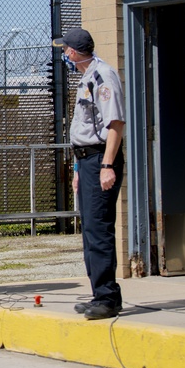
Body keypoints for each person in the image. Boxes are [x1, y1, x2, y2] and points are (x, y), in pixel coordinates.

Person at [53, 27, 125, 320]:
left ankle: (107, 298)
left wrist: (107, 165)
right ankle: (99, 293)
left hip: (100, 161)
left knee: (99, 231)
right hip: (87, 162)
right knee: (90, 232)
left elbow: (115, 124)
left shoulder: (102, 76)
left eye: (64, 50)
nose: (63, 55)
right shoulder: (86, 77)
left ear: (72, 52)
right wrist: (78, 169)